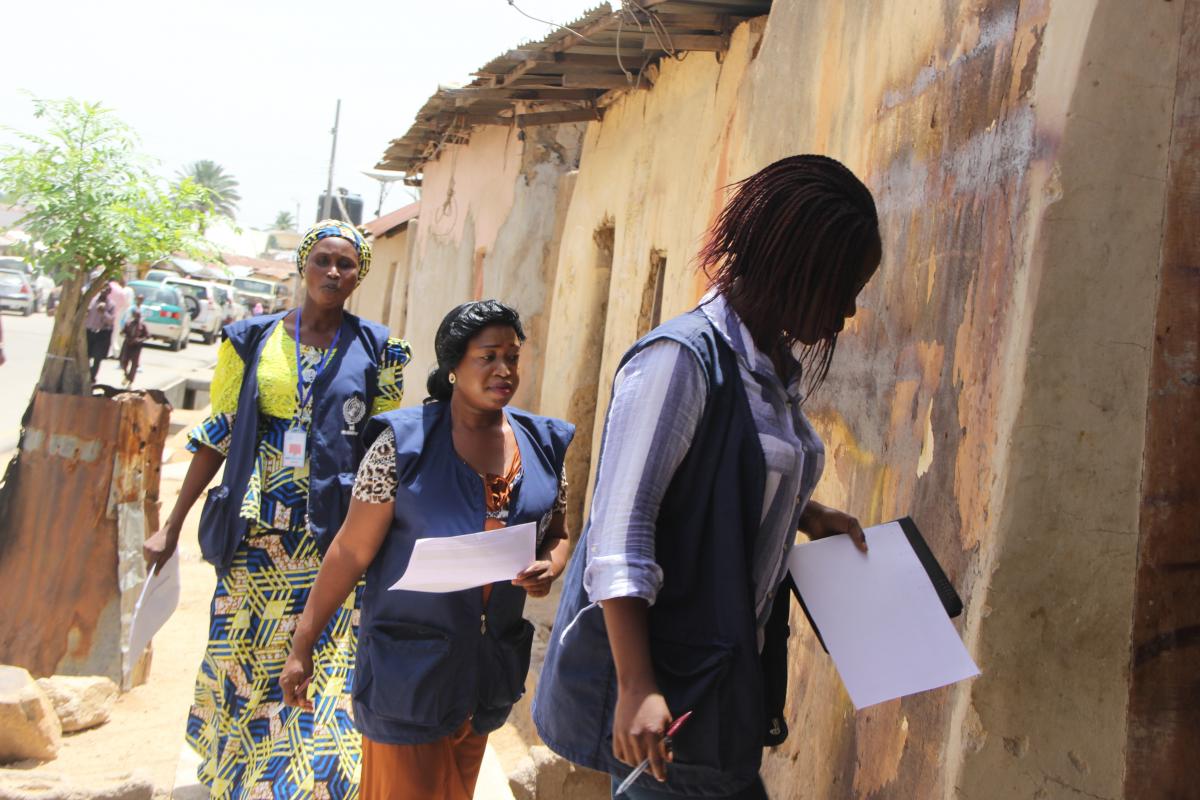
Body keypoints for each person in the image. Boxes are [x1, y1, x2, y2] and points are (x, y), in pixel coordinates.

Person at [533, 155, 883, 799]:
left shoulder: (768, 370)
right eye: (843, 286)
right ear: (796, 268)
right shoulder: (681, 360)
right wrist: (637, 686)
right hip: (671, 688)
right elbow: (620, 530)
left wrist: (806, 511)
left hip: (722, 678)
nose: (850, 310)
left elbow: (722, 468)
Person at [143, 220, 413, 800]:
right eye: (323, 261)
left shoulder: (378, 349)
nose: (333, 273)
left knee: (322, 664)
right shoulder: (250, 339)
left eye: (346, 264)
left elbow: (383, 446)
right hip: (257, 536)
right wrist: (171, 525)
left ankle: (301, 787)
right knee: (243, 660)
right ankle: (238, 780)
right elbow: (219, 432)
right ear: (302, 265)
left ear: (358, 275)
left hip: (333, 541)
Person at [281, 300, 574, 800]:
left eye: (513, 356)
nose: (505, 369)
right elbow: (350, 552)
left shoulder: (543, 445)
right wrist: (302, 645)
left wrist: (551, 564)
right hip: (408, 675)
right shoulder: (402, 444)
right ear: (454, 366)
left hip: (484, 675)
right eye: (488, 357)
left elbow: (560, 531)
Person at [85, 285, 117, 381]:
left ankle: (92, 376)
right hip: (89, 331)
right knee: (86, 355)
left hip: (102, 333)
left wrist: (104, 313)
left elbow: (111, 321)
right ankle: (86, 374)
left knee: (97, 357)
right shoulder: (92, 301)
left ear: (109, 292)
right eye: (102, 289)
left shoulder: (111, 304)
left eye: (106, 290)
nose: (103, 291)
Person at [118, 307, 149, 386]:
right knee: (124, 362)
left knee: (134, 364)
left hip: (136, 347)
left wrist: (139, 340)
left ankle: (131, 380)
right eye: (136, 315)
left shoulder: (142, 326)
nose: (137, 317)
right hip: (128, 345)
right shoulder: (128, 324)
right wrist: (126, 336)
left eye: (138, 316)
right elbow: (122, 332)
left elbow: (147, 336)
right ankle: (126, 375)